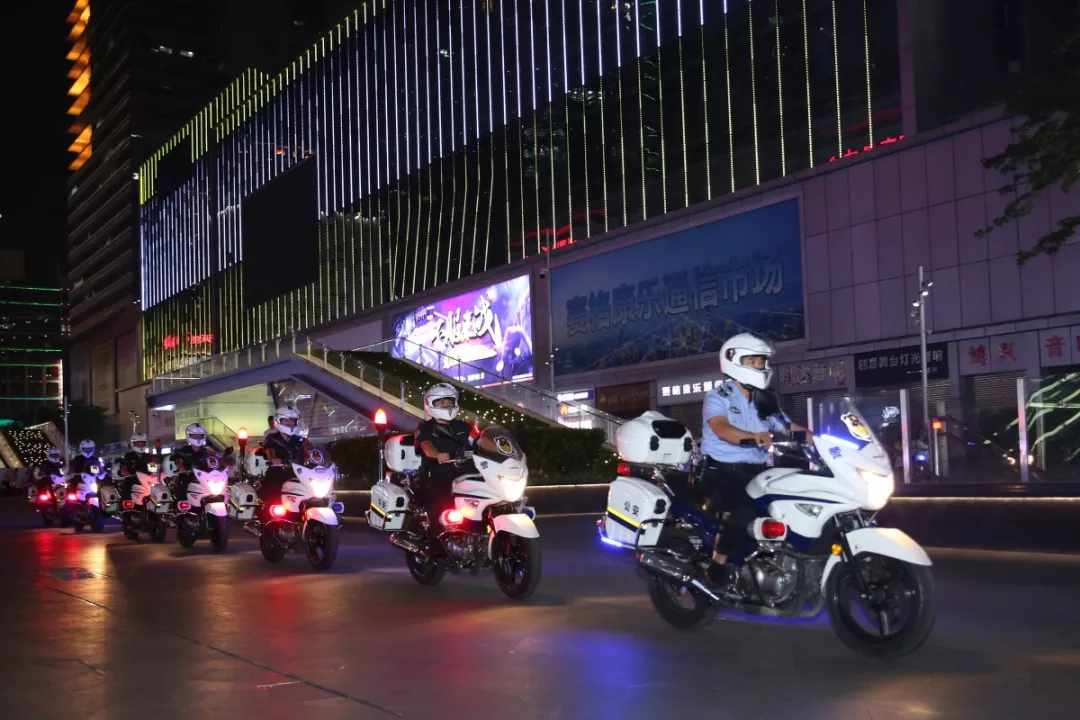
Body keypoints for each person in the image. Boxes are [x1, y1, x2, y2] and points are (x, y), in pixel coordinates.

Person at [700, 333, 809, 587]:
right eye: (754, 361)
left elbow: (788, 428)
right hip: (723, 473)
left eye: (762, 361)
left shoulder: (765, 400)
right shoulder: (719, 396)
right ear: (735, 360)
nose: (761, 366)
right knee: (745, 509)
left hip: (757, 472)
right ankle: (717, 565)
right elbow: (721, 427)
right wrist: (753, 436)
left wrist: (820, 440)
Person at [413, 383, 475, 542]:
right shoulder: (426, 428)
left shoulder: (464, 426)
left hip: (465, 472)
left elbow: (479, 441)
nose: (446, 405)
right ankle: (435, 543)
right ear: (431, 404)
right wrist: (437, 455)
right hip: (436, 473)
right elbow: (426, 446)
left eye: (449, 401)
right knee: (441, 503)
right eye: (441, 402)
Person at [258, 405, 312, 520]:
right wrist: (273, 458)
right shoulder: (271, 439)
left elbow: (312, 452)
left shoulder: (301, 440)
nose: (289, 423)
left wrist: (320, 458)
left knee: (314, 494)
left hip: (298, 476)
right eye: (286, 420)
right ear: (278, 420)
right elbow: (269, 451)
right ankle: (267, 522)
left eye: (292, 420)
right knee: (272, 495)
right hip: (278, 474)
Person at [172, 423, 215, 502]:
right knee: (183, 490)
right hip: (188, 479)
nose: (198, 438)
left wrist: (224, 463)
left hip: (204, 480)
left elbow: (214, 462)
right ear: (189, 436)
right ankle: (181, 505)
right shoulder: (183, 451)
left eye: (200, 435)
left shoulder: (206, 452)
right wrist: (181, 466)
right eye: (195, 436)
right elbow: (178, 460)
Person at [116, 433, 153, 498]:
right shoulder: (128, 456)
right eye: (138, 444)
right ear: (132, 444)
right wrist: (124, 471)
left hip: (148, 481)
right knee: (126, 489)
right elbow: (123, 468)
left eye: (142, 443)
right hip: (133, 481)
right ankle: (126, 502)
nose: (140, 445)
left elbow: (156, 467)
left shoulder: (149, 456)